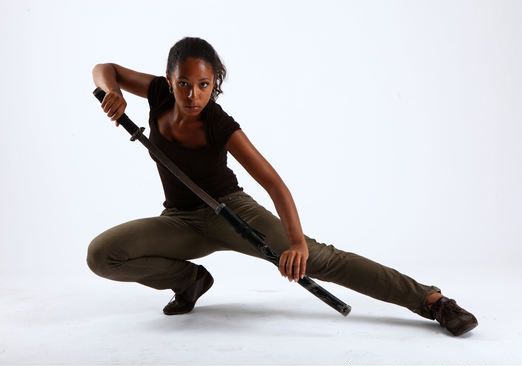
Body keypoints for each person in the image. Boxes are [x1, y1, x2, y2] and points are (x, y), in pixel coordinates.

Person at [87, 36, 478, 337]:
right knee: (103, 255)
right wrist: (113, 93)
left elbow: (273, 183)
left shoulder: (218, 124)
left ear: (215, 83)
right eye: (184, 84)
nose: (193, 95)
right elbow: (105, 68)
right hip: (179, 221)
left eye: (204, 85)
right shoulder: (156, 93)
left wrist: (296, 243)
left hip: (230, 212)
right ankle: (190, 281)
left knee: (321, 259)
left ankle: (430, 300)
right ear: (169, 81)